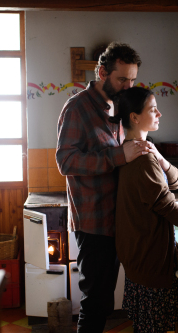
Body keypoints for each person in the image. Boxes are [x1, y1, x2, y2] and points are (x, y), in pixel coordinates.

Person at [56, 42, 149, 333]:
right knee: (94, 303)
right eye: (122, 79)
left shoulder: (118, 108)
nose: (128, 86)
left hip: (116, 220)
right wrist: (117, 156)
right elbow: (66, 161)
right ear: (101, 72)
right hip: (93, 223)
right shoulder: (77, 108)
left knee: (104, 303)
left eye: (132, 80)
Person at [110, 87, 178, 333]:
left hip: (137, 253)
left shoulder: (133, 150)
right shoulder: (141, 158)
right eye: (152, 109)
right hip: (149, 255)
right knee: (153, 327)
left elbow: (176, 181)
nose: (159, 113)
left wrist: (160, 156)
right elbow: (166, 204)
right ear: (135, 117)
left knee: (144, 326)